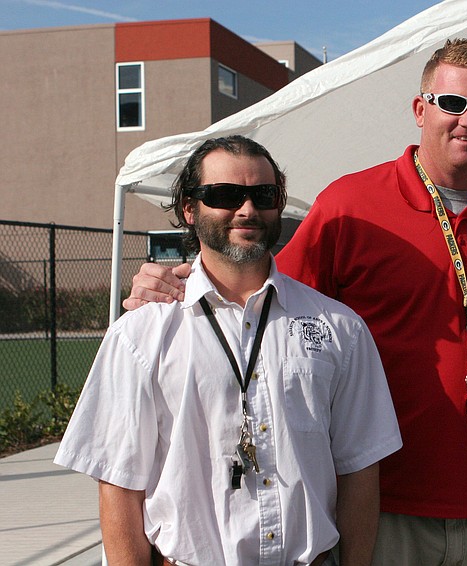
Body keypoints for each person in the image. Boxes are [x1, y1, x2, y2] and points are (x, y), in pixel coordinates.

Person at [122, 39, 467, 566]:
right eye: (453, 103)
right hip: (382, 500)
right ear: (420, 109)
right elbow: (259, 294)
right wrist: (176, 282)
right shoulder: (350, 207)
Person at [55, 136, 402, 565]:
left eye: (264, 195)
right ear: (189, 207)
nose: (247, 209)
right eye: (224, 195)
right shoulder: (141, 334)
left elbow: (360, 471)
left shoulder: (339, 329)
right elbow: (119, 486)